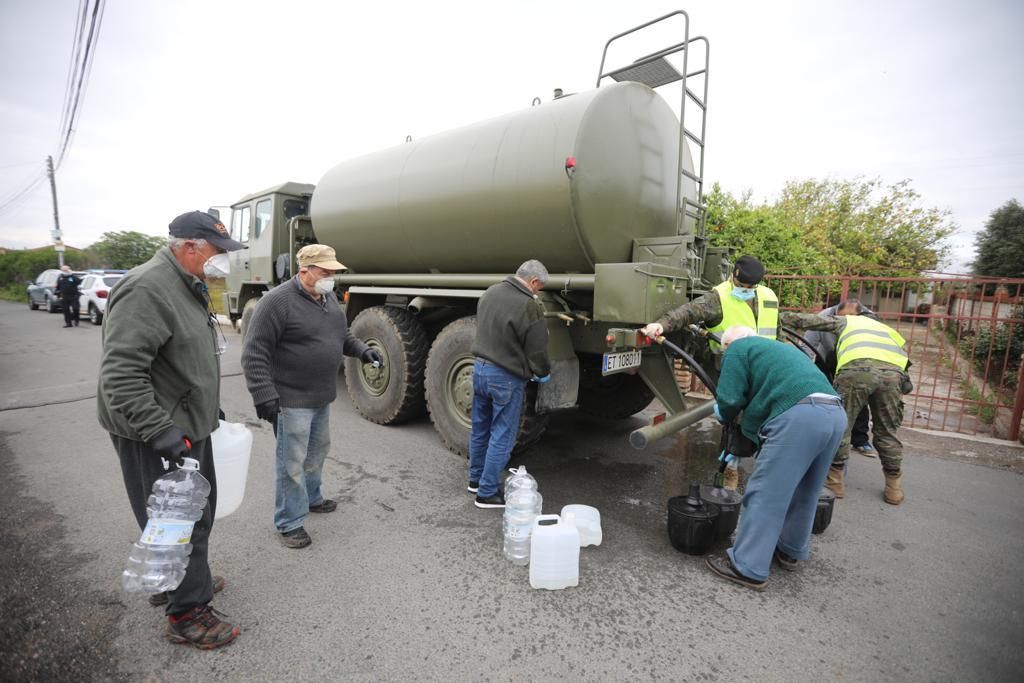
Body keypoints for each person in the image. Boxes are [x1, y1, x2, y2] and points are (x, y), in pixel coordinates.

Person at [97, 210, 243, 649]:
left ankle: (177, 582)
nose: (223, 262)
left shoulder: (186, 282)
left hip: (183, 419)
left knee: (187, 513)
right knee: (180, 520)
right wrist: (159, 427)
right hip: (156, 429)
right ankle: (186, 614)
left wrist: (205, 405)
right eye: (218, 252)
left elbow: (184, 357)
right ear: (191, 246)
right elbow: (121, 374)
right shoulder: (148, 288)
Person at [241, 244, 381, 548]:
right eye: (325, 272)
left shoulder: (328, 298)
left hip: (321, 397)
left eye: (333, 272)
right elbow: (254, 352)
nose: (331, 277)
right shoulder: (275, 302)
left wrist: (362, 351)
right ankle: (289, 522)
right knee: (291, 463)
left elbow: (340, 336)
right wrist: (263, 396)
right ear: (304, 270)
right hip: (290, 399)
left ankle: (313, 497)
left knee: (317, 453)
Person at [704, 326, 847, 591]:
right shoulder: (778, 348)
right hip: (835, 414)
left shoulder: (736, 348)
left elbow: (731, 397)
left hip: (800, 417)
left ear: (727, 345)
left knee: (766, 493)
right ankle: (789, 549)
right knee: (806, 489)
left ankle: (747, 566)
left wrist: (722, 413)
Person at [641, 255, 779, 489]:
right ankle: (730, 468)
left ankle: (766, 465)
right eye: (742, 286)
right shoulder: (720, 296)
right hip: (730, 366)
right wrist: (661, 325)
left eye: (750, 287)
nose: (745, 290)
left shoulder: (768, 296)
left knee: (765, 414)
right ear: (733, 276)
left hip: (763, 364)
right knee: (734, 414)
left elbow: (777, 328)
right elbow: (688, 312)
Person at [782, 301, 911, 504]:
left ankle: (835, 483)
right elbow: (904, 356)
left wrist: (775, 316)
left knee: (842, 425)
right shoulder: (885, 328)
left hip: (856, 371)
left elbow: (804, 320)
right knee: (887, 432)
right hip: (893, 376)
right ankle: (893, 487)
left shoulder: (845, 322)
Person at [469, 260, 551, 509]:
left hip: (479, 370)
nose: (538, 293)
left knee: (480, 429)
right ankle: (486, 493)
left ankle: (475, 479)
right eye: (539, 288)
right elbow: (537, 348)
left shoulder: (490, 292)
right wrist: (542, 372)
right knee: (502, 436)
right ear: (533, 282)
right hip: (505, 377)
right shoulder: (528, 304)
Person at [803, 299, 877, 457]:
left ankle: (860, 440)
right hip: (828, 358)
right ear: (834, 314)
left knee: (859, 398)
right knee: (824, 395)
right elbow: (808, 344)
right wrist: (805, 369)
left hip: (856, 360)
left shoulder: (869, 319)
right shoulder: (823, 316)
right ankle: (821, 435)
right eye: (841, 318)